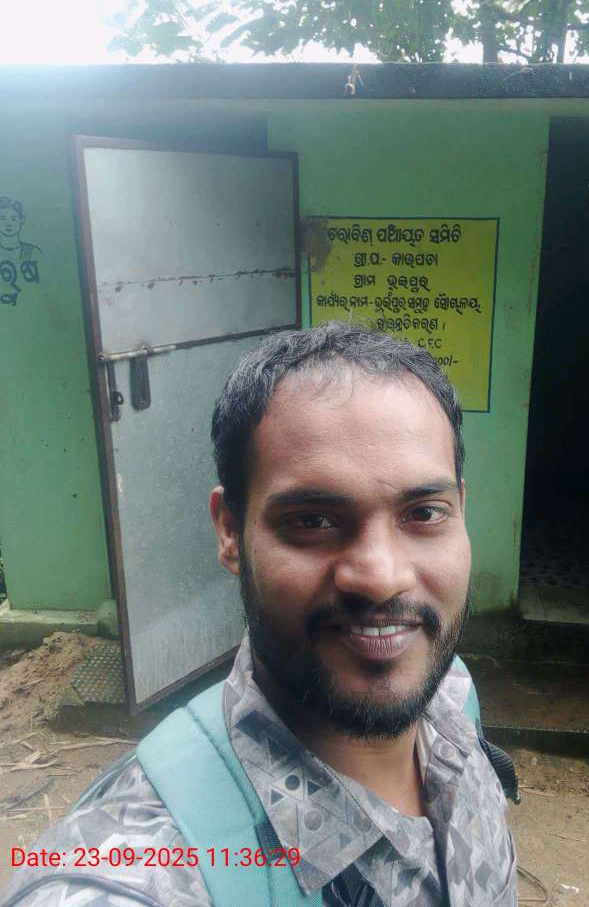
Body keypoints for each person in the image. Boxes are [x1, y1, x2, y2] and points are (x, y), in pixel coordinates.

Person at [1, 321, 517, 906]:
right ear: (230, 531)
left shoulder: (451, 694)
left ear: (460, 509)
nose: (380, 577)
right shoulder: (142, 869)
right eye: (313, 521)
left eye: (423, 513)